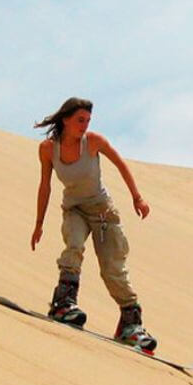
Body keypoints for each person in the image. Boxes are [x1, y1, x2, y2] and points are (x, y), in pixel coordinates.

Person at [31, 97, 157, 352]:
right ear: (65, 119)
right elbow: (46, 185)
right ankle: (63, 304)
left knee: (113, 268)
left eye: (88, 121)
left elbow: (120, 164)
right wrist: (39, 223)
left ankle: (131, 325)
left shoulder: (94, 142)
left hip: (102, 213)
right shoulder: (47, 149)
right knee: (74, 246)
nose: (85, 125)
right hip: (75, 209)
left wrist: (137, 197)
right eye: (80, 120)